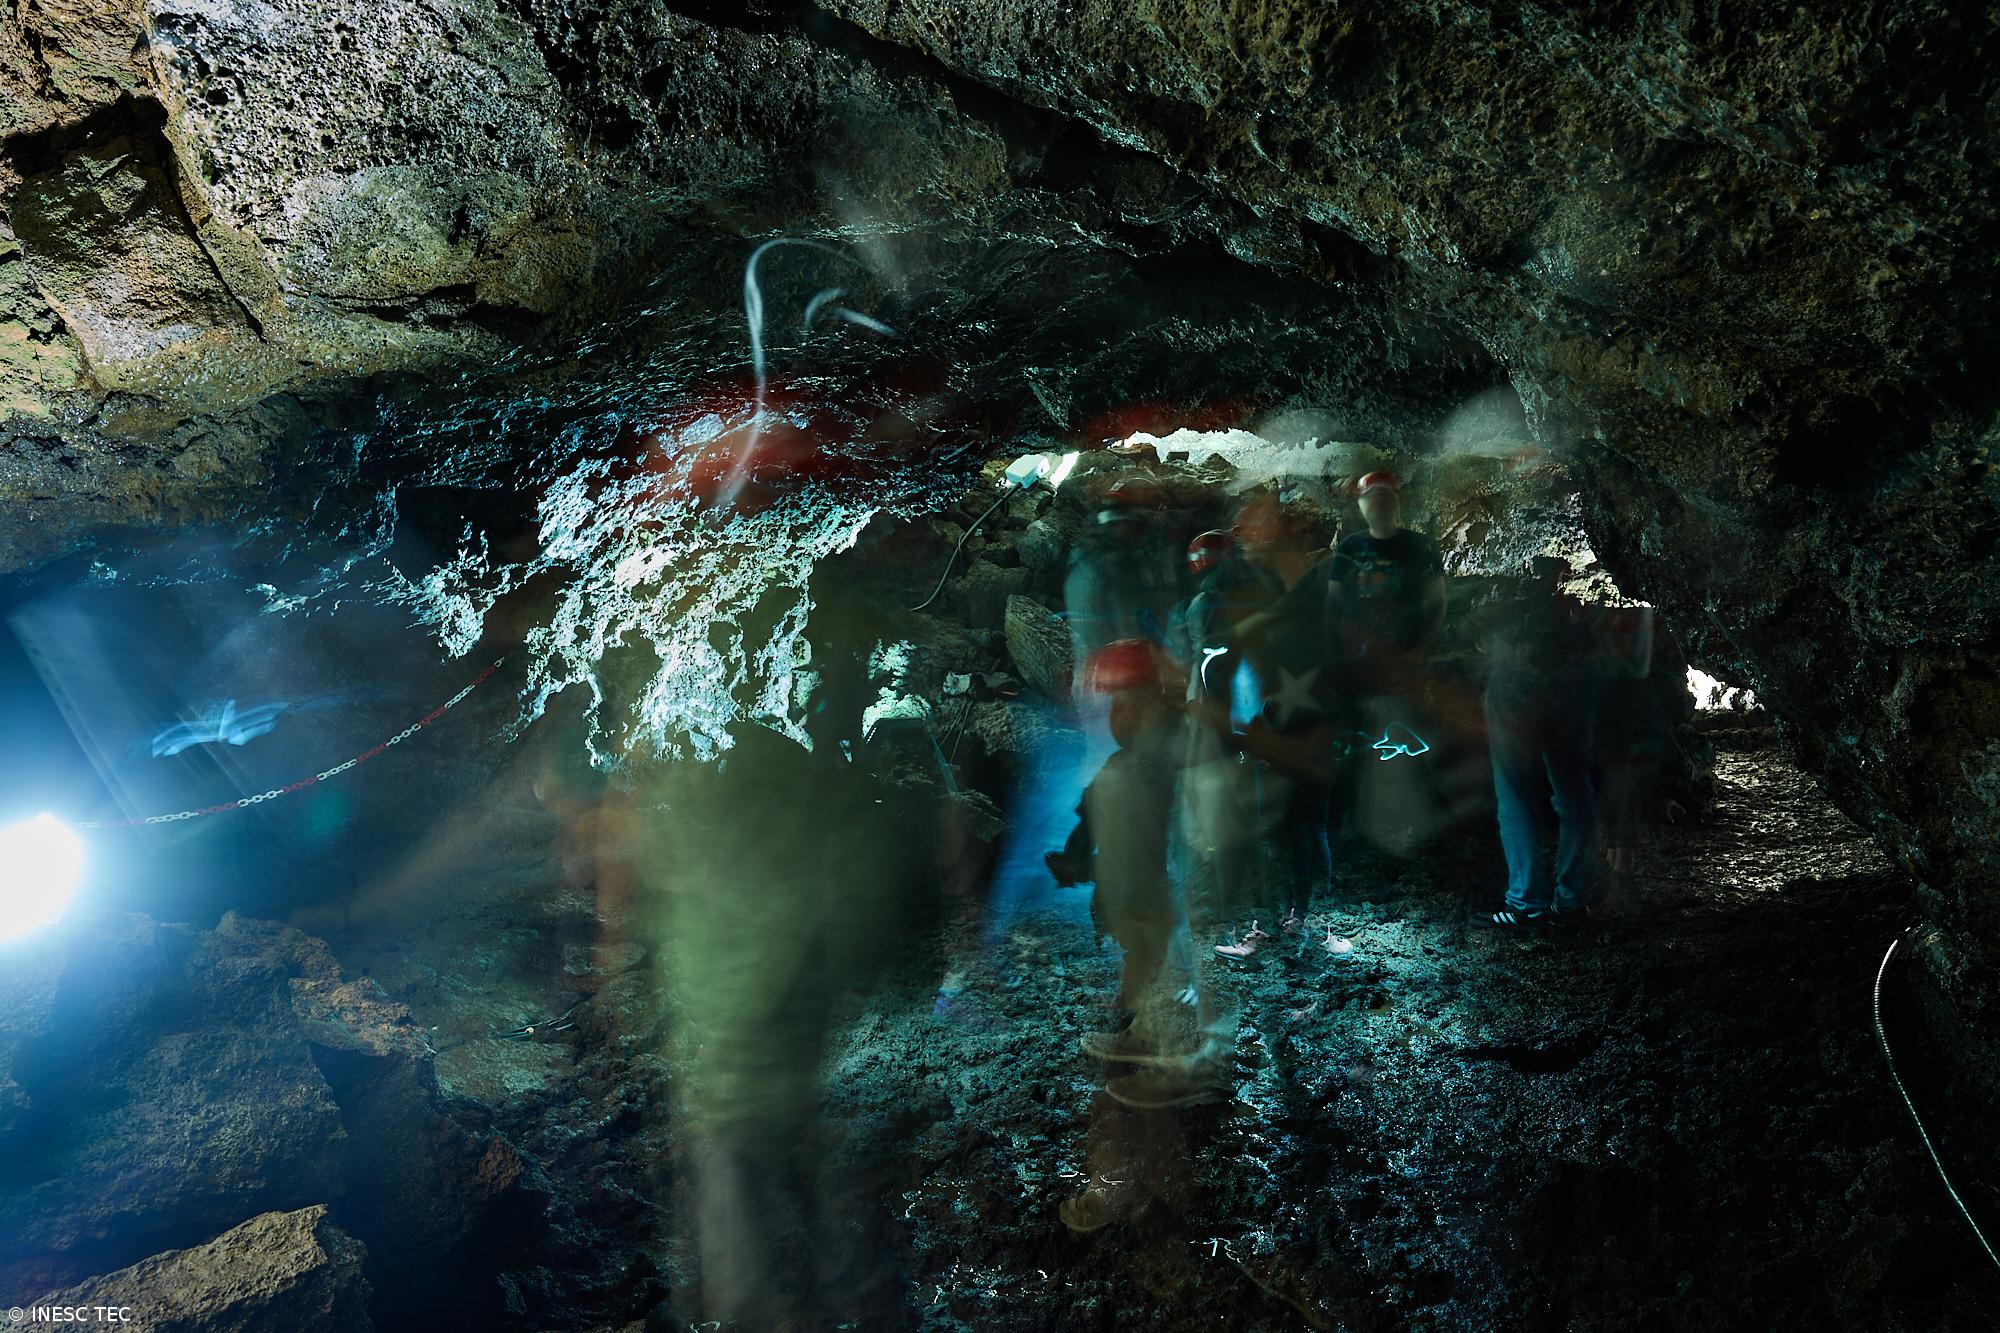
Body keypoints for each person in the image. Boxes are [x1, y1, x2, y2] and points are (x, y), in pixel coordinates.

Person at [1479, 555, 1603, 929]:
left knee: (1516, 793)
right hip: (1573, 679)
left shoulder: (1505, 562)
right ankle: (1573, 902)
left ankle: (1527, 904)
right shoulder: (1588, 569)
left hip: (1515, 680)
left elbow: (1482, 619)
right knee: (1574, 791)